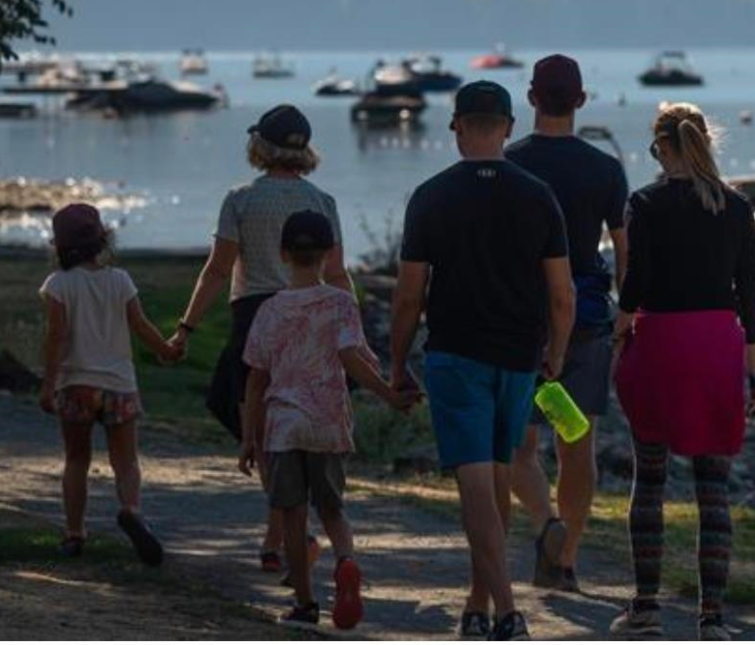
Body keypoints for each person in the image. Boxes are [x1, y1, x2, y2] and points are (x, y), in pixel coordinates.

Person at [390, 80, 576, 641]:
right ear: (509, 128)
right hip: (519, 356)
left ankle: (507, 609)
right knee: (495, 476)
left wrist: (397, 363)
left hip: (456, 354)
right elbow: (562, 293)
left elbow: (408, 295)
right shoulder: (539, 194)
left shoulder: (431, 196)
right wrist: (557, 354)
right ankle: (478, 602)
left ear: (456, 127)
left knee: (475, 484)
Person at [170, 104, 351, 573]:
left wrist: (186, 326)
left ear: (260, 147)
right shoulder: (322, 201)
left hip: (256, 316)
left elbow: (218, 270)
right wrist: (353, 332)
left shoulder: (241, 199)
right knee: (287, 423)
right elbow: (337, 273)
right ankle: (280, 537)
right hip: (310, 313)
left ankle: (282, 537)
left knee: (255, 423)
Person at [609, 103, 755, 641]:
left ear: (661, 147)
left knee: (648, 480)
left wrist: (621, 333)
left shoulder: (645, 203)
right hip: (717, 349)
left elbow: (634, 283)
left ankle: (645, 608)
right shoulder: (738, 207)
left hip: (659, 345)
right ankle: (713, 620)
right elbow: (749, 293)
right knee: (712, 490)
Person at [239, 210, 419, 631]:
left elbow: (255, 379)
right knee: (333, 509)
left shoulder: (269, 310)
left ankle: (304, 603)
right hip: (328, 422)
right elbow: (351, 359)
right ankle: (346, 561)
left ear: (283, 253)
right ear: (329, 254)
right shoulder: (340, 303)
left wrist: (250, 436)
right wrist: (389, 395)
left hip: (283, 426)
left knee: (293, 516)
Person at [504, 54, 628, 592]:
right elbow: (626, 251)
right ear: (580, 101)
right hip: (585, 317)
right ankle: (566, 559)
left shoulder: (509, 164)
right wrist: (628, 310)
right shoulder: (605, 169)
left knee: (518, 445)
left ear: (531, 98)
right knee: (577, 443)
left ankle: (544, 523)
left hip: (520, 320)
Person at [38, 203, 181, 565]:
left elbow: (55, 338)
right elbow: (141, 325)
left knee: (76, 460)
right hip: (119, 385)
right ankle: (131, 510)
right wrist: (165, 349)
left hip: (76, 384)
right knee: (126, 461)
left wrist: (48, 384)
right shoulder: (120, 280)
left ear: (59, 245)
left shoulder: (58, 285)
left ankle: (74, 533)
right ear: (102, 240)